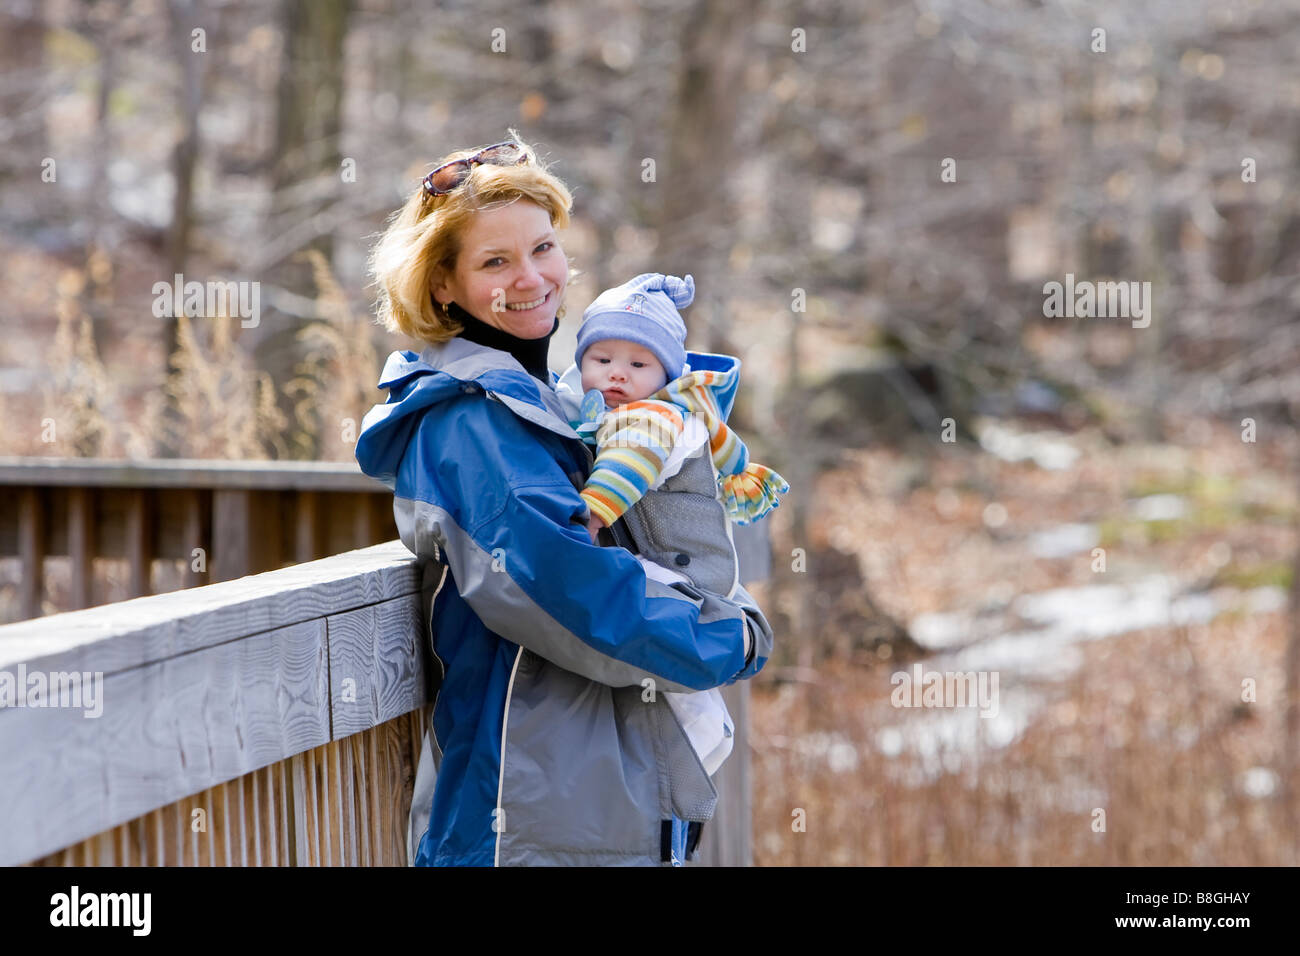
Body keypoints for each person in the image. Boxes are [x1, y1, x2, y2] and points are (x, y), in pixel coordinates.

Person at [354, 133, 775, 867]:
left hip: (585, 800)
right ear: (442, 286)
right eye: (495, 261)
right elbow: (567, 595)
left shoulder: (555, 399)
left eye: (543, 247)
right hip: (526, 817)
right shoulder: (471, 422)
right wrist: (729, 638)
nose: (533, 277)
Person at [554, 271, 789, 779]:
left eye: (638, 363)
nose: (617, 374)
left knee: (679, 684)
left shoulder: (654, 418)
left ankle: (699, 749)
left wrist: (590, 517)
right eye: (602, 360)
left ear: (665, 374)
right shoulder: (608, 408)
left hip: (685, 572)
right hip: (674, 560)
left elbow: (627, 466)